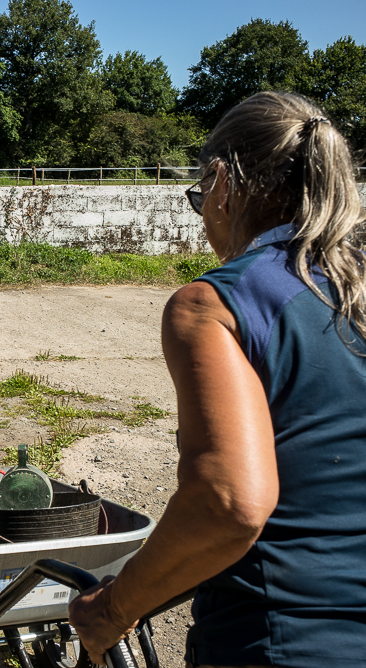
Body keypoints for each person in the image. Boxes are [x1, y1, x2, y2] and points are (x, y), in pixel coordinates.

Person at [68, 91, 366, 667]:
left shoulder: (213, 305)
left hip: (288, 640)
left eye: (200, 195)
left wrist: (112, 609)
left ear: (222, 182)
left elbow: (229, 504)